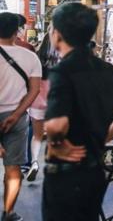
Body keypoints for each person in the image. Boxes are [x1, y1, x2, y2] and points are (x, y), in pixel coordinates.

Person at [42, 3, 113, 220]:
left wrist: (55, 143)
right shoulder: (106, 69)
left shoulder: (62, 71)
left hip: (66, 175)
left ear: (57, 35)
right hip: (95, 171)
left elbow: (56, 125)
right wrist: (106, 135)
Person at [0, 13, 41, 221]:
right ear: (17, 31)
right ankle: (8, 212)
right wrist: (16, 114)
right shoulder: (30, 57)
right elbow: (34, 90)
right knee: (13, 168)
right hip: (16, 118)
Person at [25, 33, 59, 182]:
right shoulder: (62, 60)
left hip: (37, 102)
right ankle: (53, 165)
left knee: (37, 136)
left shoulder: (35, 59)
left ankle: (34, 163)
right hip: (55, 103)